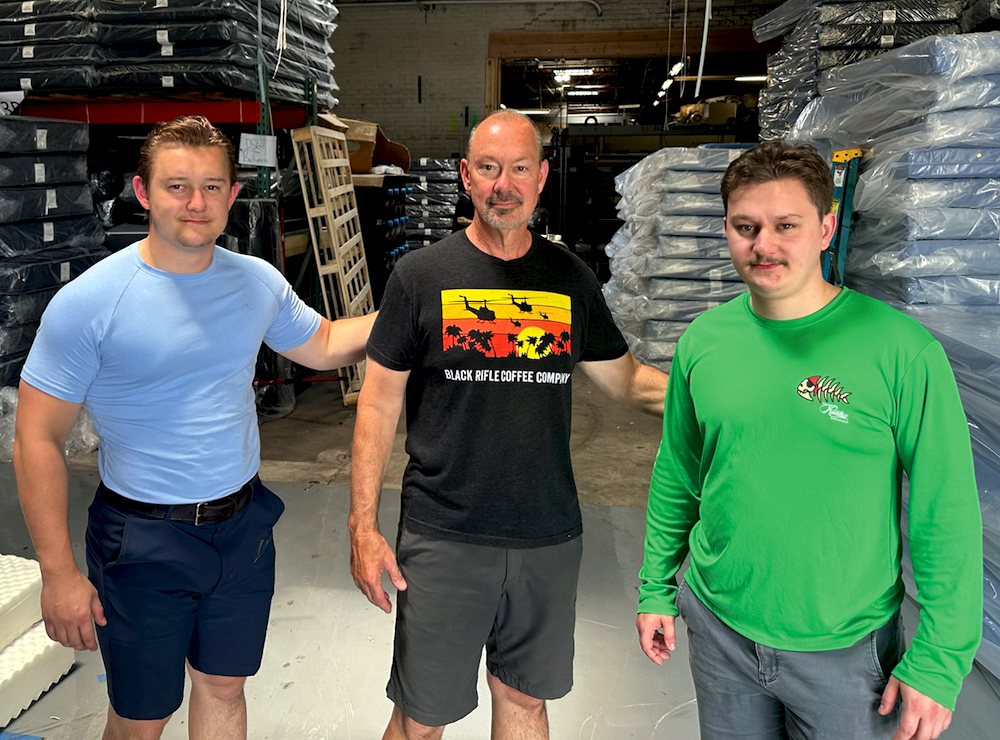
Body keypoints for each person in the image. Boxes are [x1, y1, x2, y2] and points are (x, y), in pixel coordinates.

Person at [14, 115, 375, 740]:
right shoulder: (92, 302)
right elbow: (35, 439)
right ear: (143, 191)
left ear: (234, 196)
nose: (196, 202)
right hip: (142, 539)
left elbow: (323, 343)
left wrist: (423, 302)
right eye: (177, 186)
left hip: (241, 528)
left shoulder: (255, 281)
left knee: (224, 687)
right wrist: (59, 571)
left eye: (212, 187)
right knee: (142, 715)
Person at [636, 139, 983, 740]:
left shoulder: (899, 351)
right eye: (746, 227)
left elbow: (944, 509)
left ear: (825, 228)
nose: (763, 245)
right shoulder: (704, 342)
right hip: (720, 633)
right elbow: (679, 473)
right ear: (726, 229)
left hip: (846, 653)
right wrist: (656, 588)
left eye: (785, 226)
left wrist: (941, 657)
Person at [349, 109, 667, 740]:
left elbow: (629, 382)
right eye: (489, 169)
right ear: (466, 177)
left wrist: (732, 389)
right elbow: (378, 405)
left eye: (519, 168)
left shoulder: (569, 278)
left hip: (545, 533)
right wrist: (363, 526)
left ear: (542, 176)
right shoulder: (420, 277)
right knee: (421, 717)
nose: (504, 184)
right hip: (444, 535)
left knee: (525, 704)